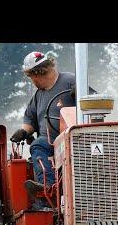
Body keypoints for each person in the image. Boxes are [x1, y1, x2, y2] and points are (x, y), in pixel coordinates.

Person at [9, 51, 79, 207]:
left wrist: (80, 95)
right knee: (39, 145)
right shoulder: (38, 96)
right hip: (51, 144)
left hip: (75, 140)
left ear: (38, 73)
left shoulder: (71, 81)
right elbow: (30, 120)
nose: (32, 81)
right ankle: (49, 188)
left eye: (31, 77)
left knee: (38, 145)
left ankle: (50, 188)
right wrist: (24, 131)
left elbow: (92, 105)